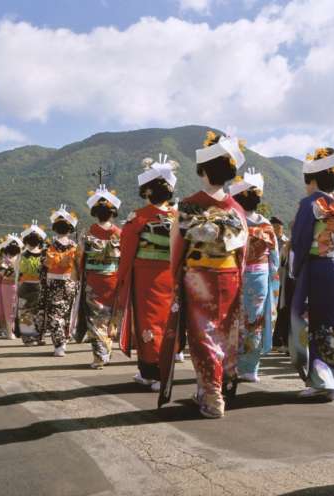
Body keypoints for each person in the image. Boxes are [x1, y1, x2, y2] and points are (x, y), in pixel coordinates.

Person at [158, 131, 248, 419]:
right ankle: (214, 387)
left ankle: (212, 395)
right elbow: (242, 252)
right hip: (230, 275)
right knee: (224, 335)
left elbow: (177, 247)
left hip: (198, 276)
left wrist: (175, 277)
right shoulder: (236, 209)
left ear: (203, 171)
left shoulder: (187, 206)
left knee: (203, 336)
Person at [289, 147, 334, 401]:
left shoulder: (310, 204)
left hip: (317, 266)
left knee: (315, 322)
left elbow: (299, 240)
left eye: (307, 181)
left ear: (314, 180)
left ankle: (320, 381)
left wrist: (295, 270)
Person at [112, 156, 178, 389]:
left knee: (147, 322)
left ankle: (154, 373)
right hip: (171, 275)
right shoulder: (177, 217)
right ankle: (155, 370)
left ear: (148, 191)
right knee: (165, 321)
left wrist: (122, 278)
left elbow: (127, 250)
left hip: (145, 276)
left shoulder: (139, 217)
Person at [229, 168, 280, 382]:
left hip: (235, 274)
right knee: (255, 320)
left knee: (234, 319)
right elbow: (275, 258)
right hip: (260, 275)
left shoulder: (233, 220)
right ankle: (251, 367)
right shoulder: (265, 225)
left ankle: (233, 364)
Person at [76, 186, 122, 368]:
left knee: (95, 319)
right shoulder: (119, 233)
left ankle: (100, 356)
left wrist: (81, 275)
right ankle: (107, 349)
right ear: (112, 213)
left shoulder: (87, 233)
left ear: (95, 212)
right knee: (110, 316)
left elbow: (80, 257)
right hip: (113, 277)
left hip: (93, 279)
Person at [39, 205, 79, 357]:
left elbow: (42, 265)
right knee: (67, 313)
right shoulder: (75, 246)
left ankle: (59, 344)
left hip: (53, 282)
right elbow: (78, 266)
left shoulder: (48, 246)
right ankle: (64, 341)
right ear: (70, 230)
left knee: (55, 314)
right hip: (70, 282)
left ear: (55, 229)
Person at [15, 222, 47, 345]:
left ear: (26, 241)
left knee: (25, 311)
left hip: (24, 286)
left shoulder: (22, 255)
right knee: (40, 311)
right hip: (39, 285)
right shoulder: (44, 254)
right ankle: (40, 336)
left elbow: (17, 273)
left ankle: (28, 338)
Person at [271, 217, 292, 352]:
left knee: (281, 308)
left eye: (278, 227)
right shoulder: (269, 240)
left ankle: (279, 339)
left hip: (284, 279)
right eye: (274, 227)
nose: (276, 230)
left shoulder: (286, 243)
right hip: (272, 277)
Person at [0, 234, 22, 338]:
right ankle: (10, 331)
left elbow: (0, 274)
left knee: (9, 308)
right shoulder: (19, 258)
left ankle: (11, 330)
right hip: (13, 285)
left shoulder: (5, 260)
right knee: (12, 309)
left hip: (7, 286)